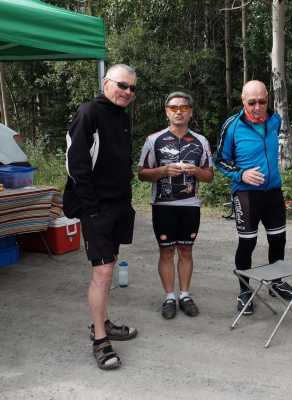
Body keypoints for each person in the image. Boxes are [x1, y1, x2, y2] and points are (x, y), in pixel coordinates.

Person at [63, 64, 138, 370]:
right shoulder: (88, 113)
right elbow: (76, 164)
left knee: (107, 269)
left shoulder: (120, 115)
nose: (128, 93)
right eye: (123, 85)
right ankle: (100, 341)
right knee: (103, 272)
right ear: (107, 83)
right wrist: (91, 208)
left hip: (119, 205)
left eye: (133, 88)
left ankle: (102, 324)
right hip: (97, 208)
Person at [215, 80, 292, 315]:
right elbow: (219, 161)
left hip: (273, 191)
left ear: (268, 100)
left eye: (261, 102)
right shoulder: (232, 125)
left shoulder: (275, 120)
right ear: (243, 101)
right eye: (251, 102)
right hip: (245, 194)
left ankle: (277, 283)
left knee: (278, 240)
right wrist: (242, 174)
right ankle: (244, 291)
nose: (256, 107)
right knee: (248, 242)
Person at [138, 91, 214, 320]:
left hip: (190, 205)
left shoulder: (200, 141)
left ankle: (185, 295)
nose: (178, 111)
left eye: (183, 108)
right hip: (163, 205)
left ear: (190, 112)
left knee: (186, 250)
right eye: (174, 108)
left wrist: (197, 171)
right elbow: (141, 174)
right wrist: (161, 171)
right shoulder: (154, 140)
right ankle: (169, 296)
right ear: (166, 112)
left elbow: (209, 176)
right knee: (166, 251)